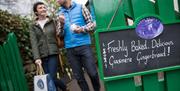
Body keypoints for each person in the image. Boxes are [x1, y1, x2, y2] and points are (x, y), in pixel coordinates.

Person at [56, 0, 100, 91]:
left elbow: (92, 24)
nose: (57, 0)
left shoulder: (81, 7)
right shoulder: (60, 13)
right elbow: (59, 34)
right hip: (70, 49)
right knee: (79, 78)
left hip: (84, 46)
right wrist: (61, 23)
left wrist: (82, 29)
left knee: (93, 73)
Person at [30, 2, 67, 91]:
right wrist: (37, 58)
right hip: (42, 55)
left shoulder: (52, 21)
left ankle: (64, 88)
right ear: (36, 12)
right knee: (48, 79)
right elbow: (33, 42)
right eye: (40, 8)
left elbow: (60, 34)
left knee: (52, 77)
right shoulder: (33, 26)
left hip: (53, 52)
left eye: (44, 7)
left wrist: (62, 24)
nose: (43, 9)